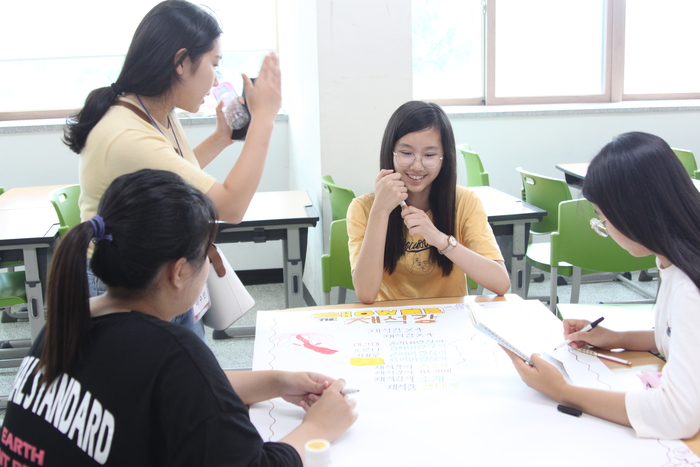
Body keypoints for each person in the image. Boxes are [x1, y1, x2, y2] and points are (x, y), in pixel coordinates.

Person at [0, 169, 357, 466]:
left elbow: (184, 393)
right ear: (179, 272)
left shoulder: (68, 322)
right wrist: (317, 429)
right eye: (207, 255)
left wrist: (278, 381)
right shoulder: (172, 350)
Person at [62, 0, 281, 338]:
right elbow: (230, 206)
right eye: (214, 63)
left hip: (159, 271)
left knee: (182, 380)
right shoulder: (126, 134)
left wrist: (222, 138)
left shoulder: (152, 111)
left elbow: (173, 173)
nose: (216, 78)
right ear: (181, 62)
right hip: (125, 283)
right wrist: (263, 119)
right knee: (169, 381)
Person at [504, 132, 700, 440]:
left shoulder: (689, 286)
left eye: (602, 220)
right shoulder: (676, 260)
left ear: (635, 213)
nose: (604, 229)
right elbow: (682, 337)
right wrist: (618, 337)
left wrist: (563, 391)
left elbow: (676, 416)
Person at [347, 101, 510, 303]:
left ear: (444, 158)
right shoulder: (363, 208)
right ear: (391, 152)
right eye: (406, 153)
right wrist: (380, 212)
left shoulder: (464, 201)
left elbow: (501, 284)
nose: (417, 165)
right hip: (391, 321)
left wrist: (440, 239)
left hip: (450, 321)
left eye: (429, 155)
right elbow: (366, 293)